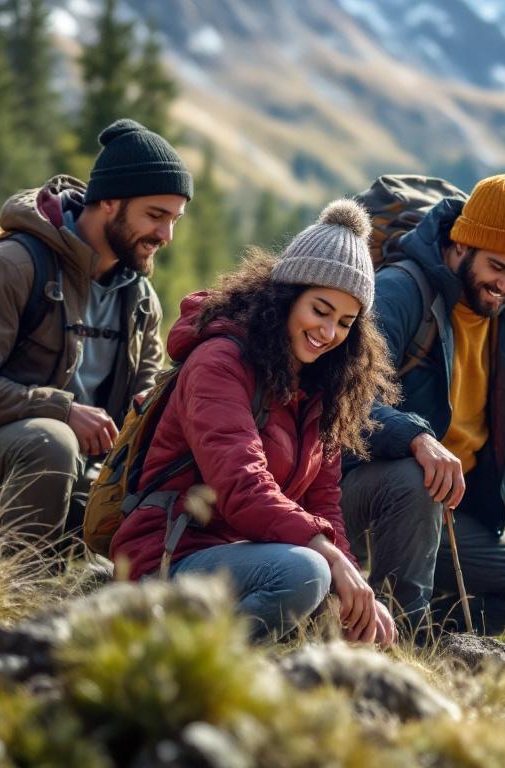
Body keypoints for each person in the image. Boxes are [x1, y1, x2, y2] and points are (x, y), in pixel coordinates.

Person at [110, 200, 399, 644]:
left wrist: (352, 582)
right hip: (170, 557)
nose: (329, 333)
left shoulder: (320, 385)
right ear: (285, 296)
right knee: (306, 572)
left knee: (366, 623)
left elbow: (323, 502)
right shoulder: (220, 362)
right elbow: (241, 487)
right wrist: (328, 558)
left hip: (253, 557)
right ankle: (200, 666)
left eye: (345, 322)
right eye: (319, 311)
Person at [341, 173, 505, 637]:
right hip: (367, 498)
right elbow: (345, 399)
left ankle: (418, 631)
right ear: (461, 244)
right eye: (497, 267)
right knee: (416, 478)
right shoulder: (400, 292)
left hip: (450, 517)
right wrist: (415, 437)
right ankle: (402, 649)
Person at [0, 119, 186, 550]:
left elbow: (142, 412)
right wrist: (63, 411)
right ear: (109, 202)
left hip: (85, 470)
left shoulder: (140, 299)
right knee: (54, 443)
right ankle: (14, 593)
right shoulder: (14, 265)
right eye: (155, 216)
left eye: (175, 219)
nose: (166, 235)